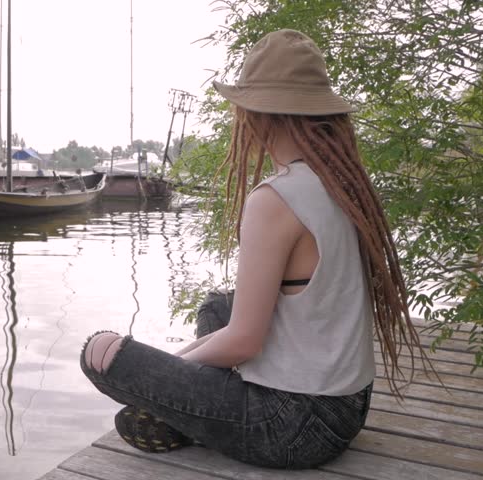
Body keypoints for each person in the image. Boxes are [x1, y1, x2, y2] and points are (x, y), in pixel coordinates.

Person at [80, 29, 424, 469]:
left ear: (257, 113)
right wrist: (175, 375)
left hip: (292, 426)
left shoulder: (275, 199)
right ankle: (187, 412)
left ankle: (182, 414)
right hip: (348, 406)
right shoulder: (343, 181)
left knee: (102, 352)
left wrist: (165, 373)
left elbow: (244, 341)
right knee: (218, 306)